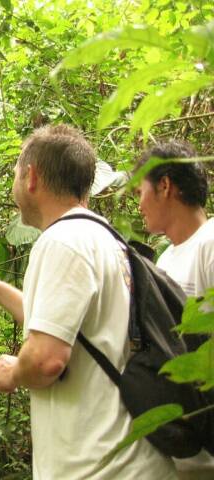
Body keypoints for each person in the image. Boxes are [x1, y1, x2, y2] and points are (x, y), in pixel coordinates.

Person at [0, 124, 176, 479]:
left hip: (103, 468)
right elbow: (67, 325)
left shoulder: (61, 241)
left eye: (15, 173)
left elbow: (46, 360)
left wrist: (14, 372)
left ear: (31, 177)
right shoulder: (103, 238)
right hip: (132, 462)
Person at [135, 140, 214, 480]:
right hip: (183, 455)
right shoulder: (166, 258)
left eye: (140, 192)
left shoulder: (210, 243)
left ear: (165, 186)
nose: (138, 205)